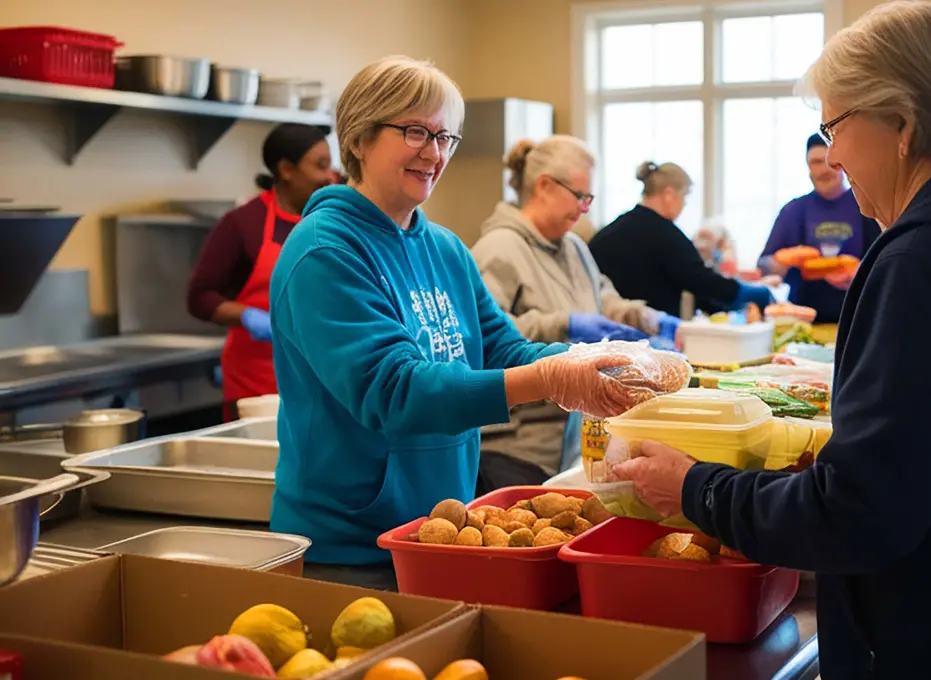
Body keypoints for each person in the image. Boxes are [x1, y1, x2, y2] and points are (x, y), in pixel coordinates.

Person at [612, 3, 931, 680]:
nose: (834, 157)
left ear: (903, 125)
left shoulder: (927, 261)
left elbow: (861, 514)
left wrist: (699, 491)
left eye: (833, 127)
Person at [267, 56, 654, 588]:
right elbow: (394, 389)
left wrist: (594, 364)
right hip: (352, 549)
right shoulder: (323, 251)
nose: (434, 153)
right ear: (358, 138)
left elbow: (503, 348)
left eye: (446, 136)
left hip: (443, 529)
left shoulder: (444, 248)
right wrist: (549, 379)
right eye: (414, 131)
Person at [468, 138, 676, 486]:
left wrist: (649, 319)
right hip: (517, 449)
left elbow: (605, 298)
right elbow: (483, 340)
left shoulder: (575, 248)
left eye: (588, 198)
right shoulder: (498, 249)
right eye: (580, 196)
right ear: (545, 186)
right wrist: (565, 326)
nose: (585, 209)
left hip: (575, 440)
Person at [187, 123, 332, 420]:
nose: (330, 177)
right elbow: (200, 297)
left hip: (320, 377)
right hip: (257, 386)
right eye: (320, 166)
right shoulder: (243, 223)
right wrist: (247, 317)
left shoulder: (329, 221)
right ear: (287, 170)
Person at [590, 161, 773, 318]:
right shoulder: (663, 233)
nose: (683, 206)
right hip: (647, 332)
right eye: (684, 198)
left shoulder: (609, 232)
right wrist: (749, 293)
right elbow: (700, 279)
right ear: (669, 194)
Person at [758, 133, 881, 323]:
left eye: (828, 161)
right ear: (807, 167)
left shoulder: (867, 206)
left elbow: (886, 260)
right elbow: (763, 265)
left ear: (841, 163)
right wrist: (779, 263)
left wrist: (860, 273)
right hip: (804, 317)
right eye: (815, 162)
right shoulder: (793, 210)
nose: (824, 169)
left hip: (859, 315)